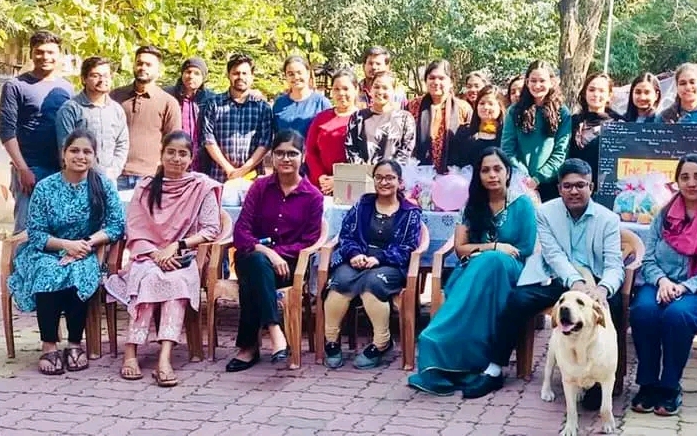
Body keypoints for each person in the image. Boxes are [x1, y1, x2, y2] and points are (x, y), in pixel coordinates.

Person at [463, 159, 624, 406]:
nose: (574, 191)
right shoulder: (546, 213)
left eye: (581, 185)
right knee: (517, 300)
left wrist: (602, 289)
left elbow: (615, 265)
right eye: (568, 186)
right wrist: (576, 283)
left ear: (591, 187)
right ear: (559, 188)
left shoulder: (608, 219)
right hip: (559, 279)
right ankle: (494, 369)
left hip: (596, 283)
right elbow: (554, 255)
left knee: (615, 305)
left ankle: (606, 379)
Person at [408, 147, 537, 396]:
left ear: (508, 172)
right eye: (485, 170)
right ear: (477, 175)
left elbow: (526, 247)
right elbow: (460, 248)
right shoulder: (472, 206)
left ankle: (438, 342)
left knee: (493, 263)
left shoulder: (522, 204)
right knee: (485, 265)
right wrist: (493, 247)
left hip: (511, 270)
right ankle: (451, 367)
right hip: (472, 269)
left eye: (497, 169)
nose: (492, 175)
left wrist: (494, 254)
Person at [104, 131, 222, 386]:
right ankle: (131, 351)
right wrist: (156, 255)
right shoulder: (146, 186)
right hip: (147, 255)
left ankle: (164, 357)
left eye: (183, 154)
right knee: (148, 278)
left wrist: (176, 247)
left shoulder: (202, 187)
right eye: (171, 152)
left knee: (177, 283)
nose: (176, 158)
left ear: (191, 158)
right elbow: (134, 228)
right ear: (162, 154)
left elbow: (211, 229)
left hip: (183, 257)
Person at [8, 129, 125, 375]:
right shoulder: (46, 187)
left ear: (94, 156)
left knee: (78, 271)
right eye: (74, 150)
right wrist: (65, 245)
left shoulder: (102, 185)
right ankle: (49, 345)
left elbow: (116, 225)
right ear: (63, 154)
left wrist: (87, 243)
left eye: (86, 151)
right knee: (48, 272)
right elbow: (37, 233)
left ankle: (74, 343)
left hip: (86, 250)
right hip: (47, 250)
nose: (80, 156)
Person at [629, 154, 697, 416]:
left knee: (677, 314)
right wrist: (662, 280)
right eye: (685, 177)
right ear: (677, 181)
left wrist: (685, 287)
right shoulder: (663, 216)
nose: (691, 183)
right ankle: (648, 383)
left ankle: (670, 385)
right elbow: (649, 258)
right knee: (643, 311)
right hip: (659, 283)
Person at [227, 130, 324, 372]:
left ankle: (248, 348)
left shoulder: (312, 197)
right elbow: (241, 231)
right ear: (272, 156)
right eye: (280, 153)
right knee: (256, 262)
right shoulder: (259, 187)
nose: (285, 159)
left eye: (292, 153)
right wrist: (268, 251)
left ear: (302, 157)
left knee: (254, 275)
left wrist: (279, 254)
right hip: (253, 255)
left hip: (288, 265)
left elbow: (309, 240)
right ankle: (274, 329)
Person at [323, 160, 422, 369]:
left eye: (390, 178)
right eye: (379, 178)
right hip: (358, 259)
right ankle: (331, 341)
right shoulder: (362, 205)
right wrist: (354, 254)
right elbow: (346, 235)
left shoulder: (410, 213)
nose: (384, 182)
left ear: (400, 182)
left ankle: (381, 343)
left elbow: (408, 247)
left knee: (372, 283)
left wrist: (380, 259)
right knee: (340, 281)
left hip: (389, 264)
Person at [0, 30, 75, 232]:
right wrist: (23, 169)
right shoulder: (15, 86)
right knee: (25, 231)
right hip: (29, 170)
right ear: (31, 54)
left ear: (58, 55)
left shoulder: (66, 88)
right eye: (40, 52)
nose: (45, 57)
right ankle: (18, 265)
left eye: (51, 52)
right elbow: (6, 132)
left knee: (56, 230)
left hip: (60, 171)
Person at [111, 46, 182, 190]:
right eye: (139, 63)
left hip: (150, 177)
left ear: (158, 70)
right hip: (116, 174)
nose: (143, 67)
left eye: (148, 65)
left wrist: (162, 169)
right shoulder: (115, 97)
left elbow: (174, 143)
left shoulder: (168, 102)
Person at [501, 60, 572, 202]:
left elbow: (561, 152)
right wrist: (525, 177)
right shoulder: (514, 111)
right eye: (533, 80)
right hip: (519, 183)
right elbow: (508, 149)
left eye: (542, 81)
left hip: (551, 185)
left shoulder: (562, 112)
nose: (537, 85)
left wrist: (538, 178)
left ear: (552, 82)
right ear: (527, 82)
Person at [201, 54, 274, 183]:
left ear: (252, 76)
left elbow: (265, 142)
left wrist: (244, 169)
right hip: (219, 176)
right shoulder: (214, 104)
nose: (240, 77)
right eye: (236, 73)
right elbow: (208, 138)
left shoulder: (263, 108)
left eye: (245, 73)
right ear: (228, 75)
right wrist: (228, 169)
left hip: (253, 177)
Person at [56, 56, 129, 183]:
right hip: (78, 181)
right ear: (83, 79)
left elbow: (122, 144)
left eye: (106, 76)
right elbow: (65, 147)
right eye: (95, 76)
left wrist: (113, 172)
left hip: (109, 181)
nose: (102, 80)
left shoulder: (117, 110)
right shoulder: (70, 109)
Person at [406, 60, 474, 173]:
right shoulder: (413, 106)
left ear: (451, 82)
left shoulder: (463, 108)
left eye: (441, 78)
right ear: (426, 81)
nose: (436, 82)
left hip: (453, 176)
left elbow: (470, 144)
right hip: (419, 174)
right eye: (431, 78)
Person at [305, 69, 361, 194]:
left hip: (350, 187)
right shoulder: (321, 118)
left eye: (346, 89)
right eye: (336, 89)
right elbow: (310, 151)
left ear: (356, 89)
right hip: (320, 186)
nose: (341, 93)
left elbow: (364, 157)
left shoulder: (363, 119)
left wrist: (338, 180)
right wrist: (320, 177)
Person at [343, 71, 416, 165]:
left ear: (393, 90)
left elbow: (406, 151)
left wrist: (386, 173)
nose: (380, 91)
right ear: (370, 90)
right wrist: (368, 173)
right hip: (363, 175)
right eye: (376, 87)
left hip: (394, 176)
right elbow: (351, 149)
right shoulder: (358, 117)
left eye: (385, 88)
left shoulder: (405, 119)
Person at [568, 73, 624, 190]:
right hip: (573, 190)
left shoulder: (619, 125)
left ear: (609, 95)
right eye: (592, 89)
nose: (596, 94)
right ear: (585, 93)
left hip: (604, 191)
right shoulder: (572, 122)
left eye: (601, 91)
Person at [164, 57, 213, 172]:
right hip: (173, 156)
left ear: (203, 78)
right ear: (182, 74)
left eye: (197, 73)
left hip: (200, 159)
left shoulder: (211, 99)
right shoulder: (168, 95)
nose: (191, 76)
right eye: (188, 72)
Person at [273, 56, 331, 139]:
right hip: (285, 151)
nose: (296, 77)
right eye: (291, 74)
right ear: (286, 76)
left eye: (299, 73)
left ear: (308, 73)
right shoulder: (279, 104)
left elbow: (328, 137)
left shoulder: (321, 103)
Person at [454, 85, 507, 163]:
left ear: (500, 107)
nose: (485, 107)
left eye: (491, 104)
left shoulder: (507, 134)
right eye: (482, 103)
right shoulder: (464, 131)